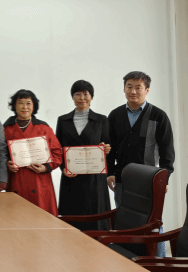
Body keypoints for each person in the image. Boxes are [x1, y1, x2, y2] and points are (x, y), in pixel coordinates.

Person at [107, 71, 175, 256]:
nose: (133, 91)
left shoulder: (158, 116)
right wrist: (110, 172)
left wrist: (165, 179)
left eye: (138, 87)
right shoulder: (115, 115)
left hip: (149, 181)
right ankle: (128, 261)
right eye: (129, 87)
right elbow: (109, 148)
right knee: (124, 221)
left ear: (147, 90)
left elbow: (167, 151)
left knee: (153, 223)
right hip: (122, 179)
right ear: (124, 89)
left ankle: (158, 261)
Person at [56, 80, 111, 230]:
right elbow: (58, 148)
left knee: (96, 219)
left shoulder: (101, 120)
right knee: (72, 220)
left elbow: (107, 145)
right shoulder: (63, 120)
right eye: (77, 94)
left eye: (85, 94)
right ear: (72, 97)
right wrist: (63, 168)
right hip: (71, 177)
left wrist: (106, 148)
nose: (82, 98)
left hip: (94, 179)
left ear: (91, 97)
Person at [4, 89, 62, 215]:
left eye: (28, 103)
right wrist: (6, 164)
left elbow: (57, 153)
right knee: (17, 218)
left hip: (40, 182)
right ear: (14, 106)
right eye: (20, 103)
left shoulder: (44, 128)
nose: (25, 107)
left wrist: (46, 167)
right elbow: (0, 154)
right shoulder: (5, 129)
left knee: (41, 220)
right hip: (16, 180)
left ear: (34, 106)